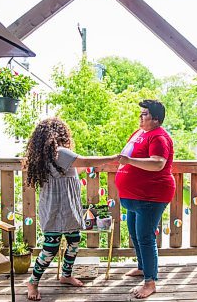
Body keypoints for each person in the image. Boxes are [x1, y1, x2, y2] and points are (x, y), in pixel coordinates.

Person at [25, 117, 118, 301]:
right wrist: (113, 158)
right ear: (60, 134)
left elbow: (74, 171)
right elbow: (84, 161)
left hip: (62, 207)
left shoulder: (49, 155)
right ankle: (33, 282)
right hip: (56, 208)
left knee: (74, 240)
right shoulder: (60, 152)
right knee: (50, 248)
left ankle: (66, 275)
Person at [115, 99, 175, 299]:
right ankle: (142, 267)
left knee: (146, 238)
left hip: (151, 196)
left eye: (145, 114)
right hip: (133, 197)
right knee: (134, 233)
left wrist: (129, 161)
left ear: (156, 119)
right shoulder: (141, 133)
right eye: (140, 113)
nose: (140, 117)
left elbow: (158, 164)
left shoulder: (159, 137)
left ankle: (150, 282)